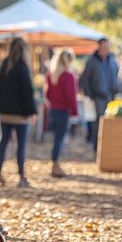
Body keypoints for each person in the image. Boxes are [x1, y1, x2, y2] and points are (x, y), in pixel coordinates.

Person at [0, 38, 37, 188]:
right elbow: (28, 93)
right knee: (21, 145)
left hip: (4, 111)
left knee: (3, 141)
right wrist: (32, 111)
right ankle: (21, 176)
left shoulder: (4, 65)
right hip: (20, 114)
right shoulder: (23, 68)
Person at [80, 38, 120, 152]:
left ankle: (108, 147)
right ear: (99, 47)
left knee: (110, 122)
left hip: (110, 96)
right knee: (99, 123)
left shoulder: (112, 60)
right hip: (98, 97)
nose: (106, 49)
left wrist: (116, 90)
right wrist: (90, 94)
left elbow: (116, 74)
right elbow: (85, 79)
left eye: (107, 47)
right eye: (104, 47)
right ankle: (97, 148)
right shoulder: (92, 61)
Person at [45, 50, 78, 178]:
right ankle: (55, 164)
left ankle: (55, 163)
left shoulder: (51, 75)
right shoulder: (68, 76)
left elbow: (47, 95)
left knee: (56, 139)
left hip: (53, 111)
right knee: (60, 139)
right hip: (63, 111)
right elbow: (71, 97)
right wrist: (75, 112)